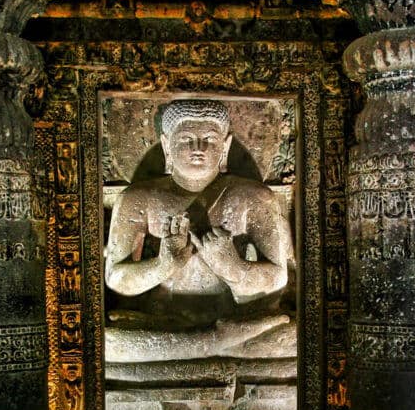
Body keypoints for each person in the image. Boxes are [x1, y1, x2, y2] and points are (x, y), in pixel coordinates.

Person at [104, 99, 295, 363]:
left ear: (225, 146)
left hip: (234, 316)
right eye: (186, 139)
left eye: (209, 139)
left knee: (297, 336)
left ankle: (203, 343)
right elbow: (115, 278)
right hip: (162, 321)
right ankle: (218, 341)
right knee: (106, 342)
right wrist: (163, 265)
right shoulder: (138, 198)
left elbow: (278, 277)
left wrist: (233, 267)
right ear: (167, 146)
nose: (198, 148)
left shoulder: (255, 197)